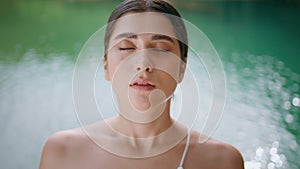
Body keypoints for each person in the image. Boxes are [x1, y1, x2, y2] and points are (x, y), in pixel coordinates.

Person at [39, 0, 244, 168]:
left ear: (182, 68)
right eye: (127, 47)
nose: (143, 64)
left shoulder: (222, 161)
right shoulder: (63, 152)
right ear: (106, 67)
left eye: (161, 49)